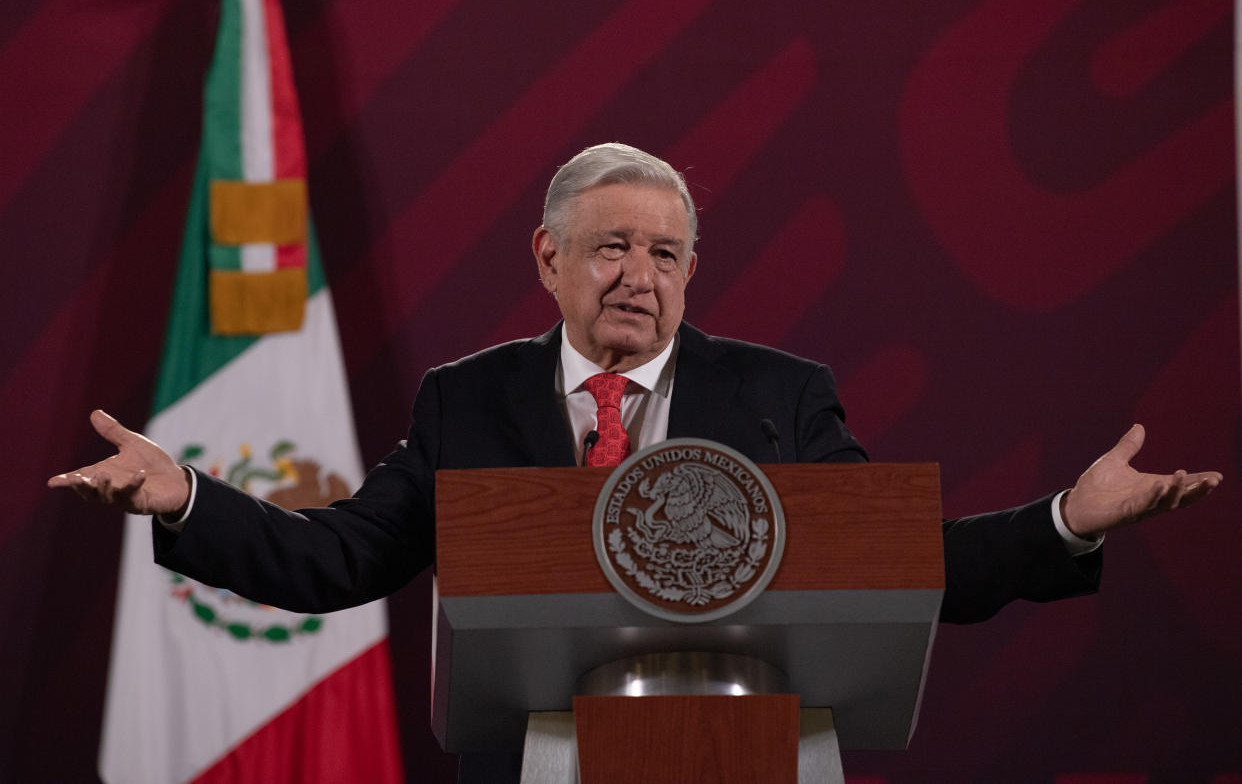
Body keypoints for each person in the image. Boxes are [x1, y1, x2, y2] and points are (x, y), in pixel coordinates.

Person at [50, 142, 1221, 626]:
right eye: (610, 246)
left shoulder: (783, 396)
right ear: (549, 259)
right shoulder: (470, 401)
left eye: (665, 254)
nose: (637, 276)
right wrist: (187, 497)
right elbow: (343, 558)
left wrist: (1065, 523)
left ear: (693, 271)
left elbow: (898, 569)